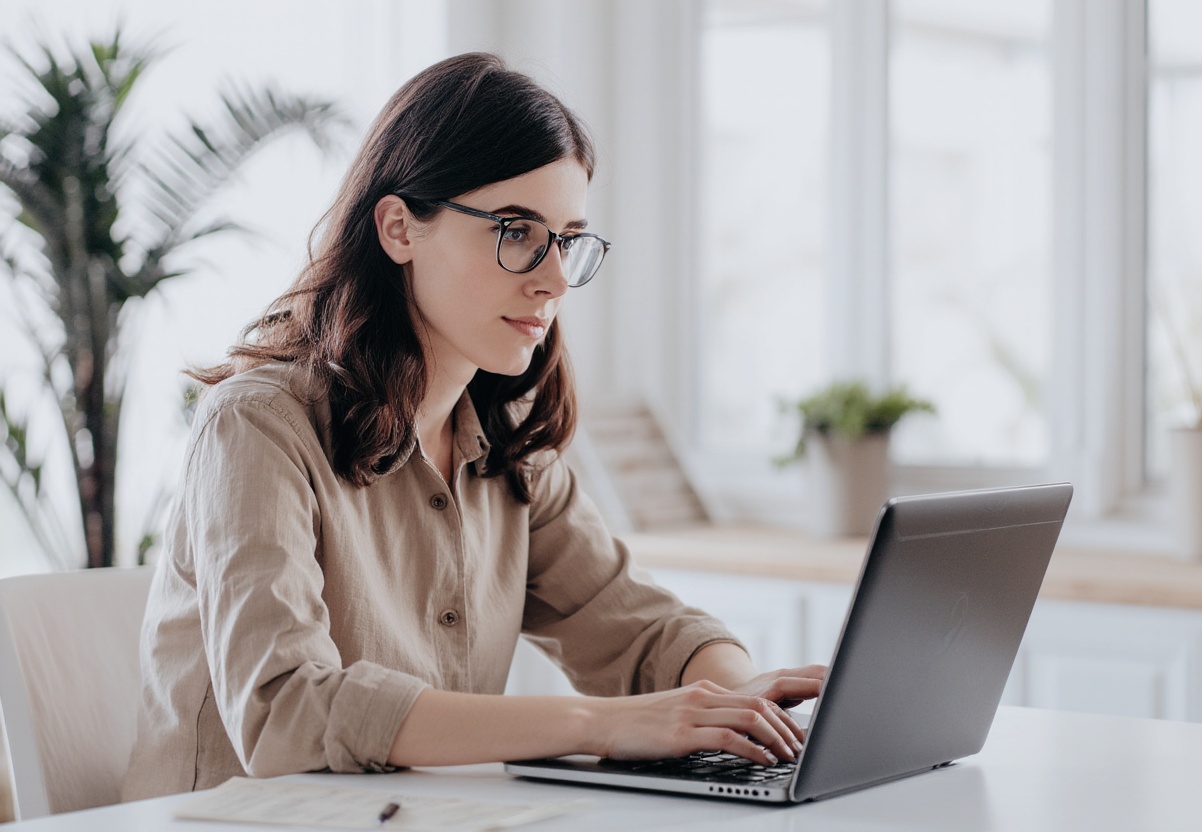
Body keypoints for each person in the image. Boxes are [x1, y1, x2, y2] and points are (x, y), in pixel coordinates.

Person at [122, 52, 826, 801]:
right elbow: (284, 714)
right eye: (518, 231)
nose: (552, 276)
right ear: (399, 227)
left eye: (567, 239)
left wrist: (734, 705)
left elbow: (641, 629)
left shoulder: (508, 447)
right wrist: (597, 723)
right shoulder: (259, 427)